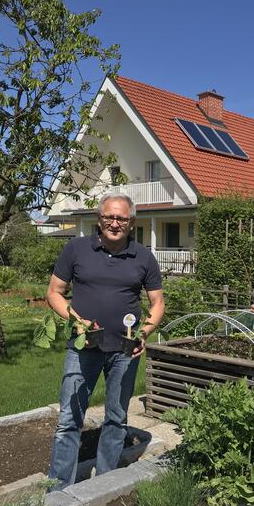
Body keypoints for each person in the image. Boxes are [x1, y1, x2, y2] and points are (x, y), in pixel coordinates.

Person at [47, 191, 165, 490]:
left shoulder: (143, 257)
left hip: (124, 352)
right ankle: (58, 489)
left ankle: (105, 481)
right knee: (69, 419)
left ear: (131, 222)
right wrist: (76, 321)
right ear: (99, 219)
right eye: (109, 217)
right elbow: (54, 293)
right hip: (83, 348)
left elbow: (157, 303)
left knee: (116, 417)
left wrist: (143, 333)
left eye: (121, 218)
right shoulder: (76, 249)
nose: (115, 223)